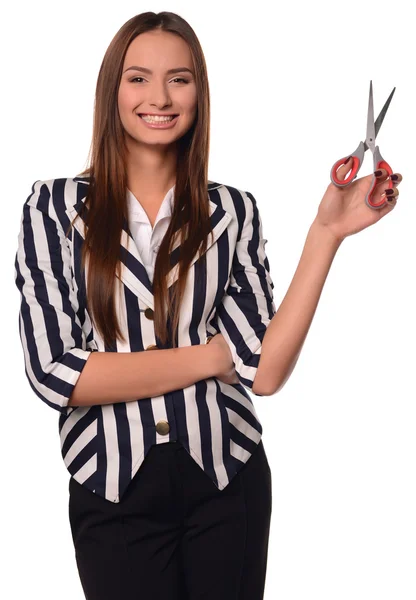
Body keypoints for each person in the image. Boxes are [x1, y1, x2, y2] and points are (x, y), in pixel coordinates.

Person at [14, 10, 402, 600]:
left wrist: (326, 233)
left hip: (230, 484)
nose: (160, 97)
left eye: (181, 78)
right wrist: (213, 356)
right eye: (139, 77)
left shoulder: (234, 211)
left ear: (199, 91)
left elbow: (265, 371)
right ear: (111, 90)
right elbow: (57, 374)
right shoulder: (52, 208)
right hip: (112, 492)